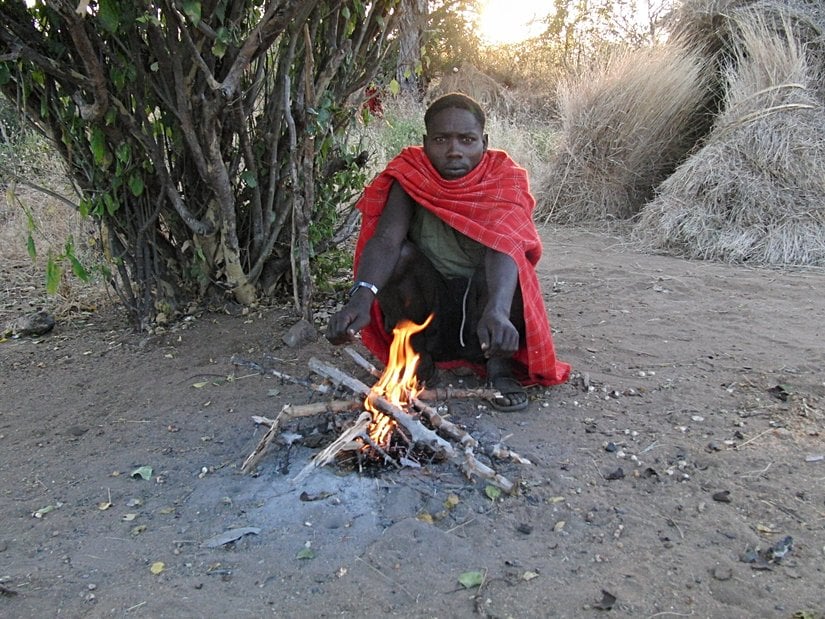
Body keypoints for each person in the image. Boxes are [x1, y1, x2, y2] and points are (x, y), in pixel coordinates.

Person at [326, 93, 570, 410]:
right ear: (425, 143)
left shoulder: (503, 178)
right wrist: (360, 297)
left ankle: (498, 367)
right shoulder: (411, 175)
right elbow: (386, 239)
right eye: (441, 139)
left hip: (486, 315)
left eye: (467, 140)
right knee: (399, 257)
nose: (454, 151)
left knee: (512, 264)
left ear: (484, 142)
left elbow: (506, 243)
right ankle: (418, 361)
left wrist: (497, 310)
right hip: (431, 311)